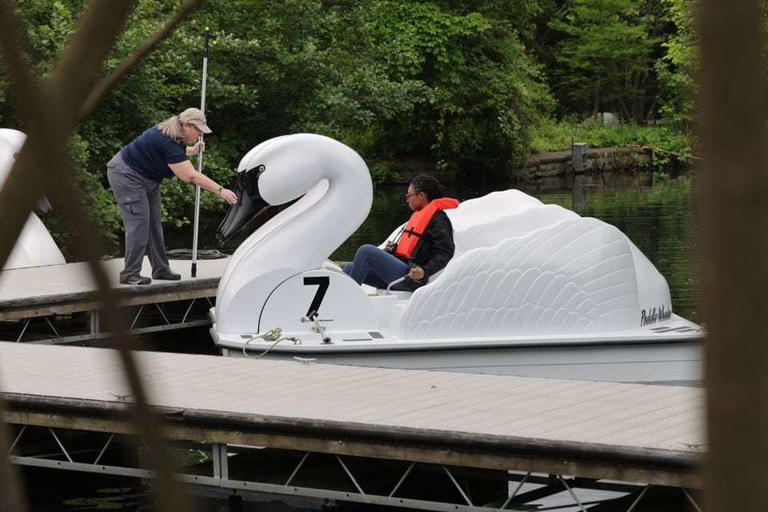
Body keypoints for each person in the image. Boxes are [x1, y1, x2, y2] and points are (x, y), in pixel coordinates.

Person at [107, 107, 238, 285]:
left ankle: (160, 269)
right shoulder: (166, 139)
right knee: (139, 224)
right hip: (126, 175)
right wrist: (221, 190)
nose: (200, 135)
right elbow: (189, 176)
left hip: (149, 179)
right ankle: (130, 274)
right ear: (185, 125)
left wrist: (192, 150)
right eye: (197, 130)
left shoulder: (176, 136)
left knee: (154, 223)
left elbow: (174, 154)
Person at [343, 174, 458, 291]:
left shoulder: (439, 219)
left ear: (421, 196)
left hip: (411, 279)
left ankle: (348, 300)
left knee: (365, 251)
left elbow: (445, 252)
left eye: (409, 195)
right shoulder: (420, 215)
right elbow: (416, 249)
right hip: (400, 271)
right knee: (348, 268)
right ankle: (342, 300)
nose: (407, 199)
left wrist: (424, 271)